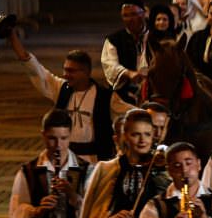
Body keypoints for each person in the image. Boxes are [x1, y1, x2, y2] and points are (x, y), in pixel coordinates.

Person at [9, 29, 129, 162]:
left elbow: (131, 113)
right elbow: (36, 71)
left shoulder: (105, 97)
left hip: (95, 162)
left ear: (86, 72)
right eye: (65, 69)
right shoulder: (62, 89)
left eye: (71, 71)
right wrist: (13, 38)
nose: (65, 75)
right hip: (65, 160)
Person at [101, 0, 152, 104]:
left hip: (152, 90)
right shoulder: (114, 40)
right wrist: (128, 73)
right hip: (124, 93)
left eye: (134, 14)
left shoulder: (154, 37)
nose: (130, 19)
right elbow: (110, 64)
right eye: (125, 15)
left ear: (143, 14)